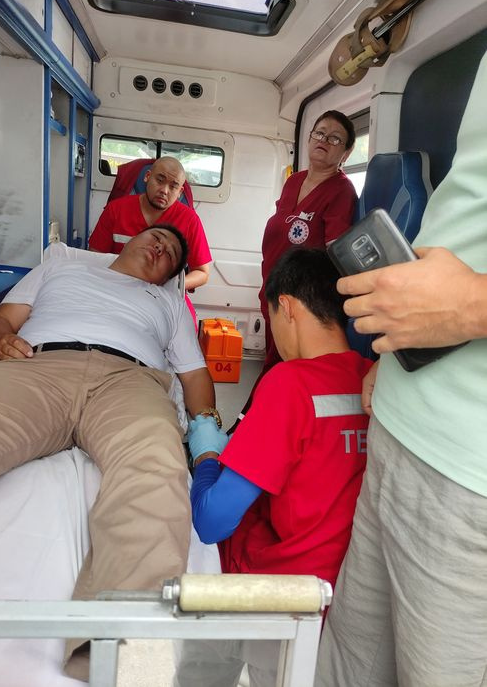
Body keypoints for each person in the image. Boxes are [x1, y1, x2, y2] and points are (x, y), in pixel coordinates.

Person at [0, 224, 222, 682]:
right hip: (37, 365)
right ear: (131, 240)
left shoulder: (169, 303)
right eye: (156, 237)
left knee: (156, 475)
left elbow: (195, 376)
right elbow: (2, 320)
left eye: (170, 253)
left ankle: (121, 650)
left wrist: (206, 442)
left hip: (130, 381)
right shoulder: (61, 266)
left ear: (168, 276)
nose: (160, 246)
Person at [314, 51, 487, 687]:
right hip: (399, 419)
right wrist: (397, 349)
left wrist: (470, 306)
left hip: (469, 473)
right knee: (346, 666)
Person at [175, 247, 373, 687]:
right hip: (343, 597)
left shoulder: (289, 383)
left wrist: (207, 455)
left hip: (276, 594)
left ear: (287, 306)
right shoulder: (372, 376)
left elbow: (212, 519)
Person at [229, 110, 357, 433]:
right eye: (319, 133)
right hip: (273, 289)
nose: (324, 141)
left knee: (279, 367)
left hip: (302, 300)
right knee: (274, 361)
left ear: (346, 152)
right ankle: (256, 426)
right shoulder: (294, 182)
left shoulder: (341, 191)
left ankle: (246, 428)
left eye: (335, 138)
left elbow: (336, 254)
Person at [89, 156, 212, 324]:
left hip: (164, 296)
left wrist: (172, 285)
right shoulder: (116, 209)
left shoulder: (190, 220)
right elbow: (95, 257)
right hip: (117, 290)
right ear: (147, 177)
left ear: (180, 192)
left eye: (173, 186)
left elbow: (202, 273)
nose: (164, 190)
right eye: (159, 180)